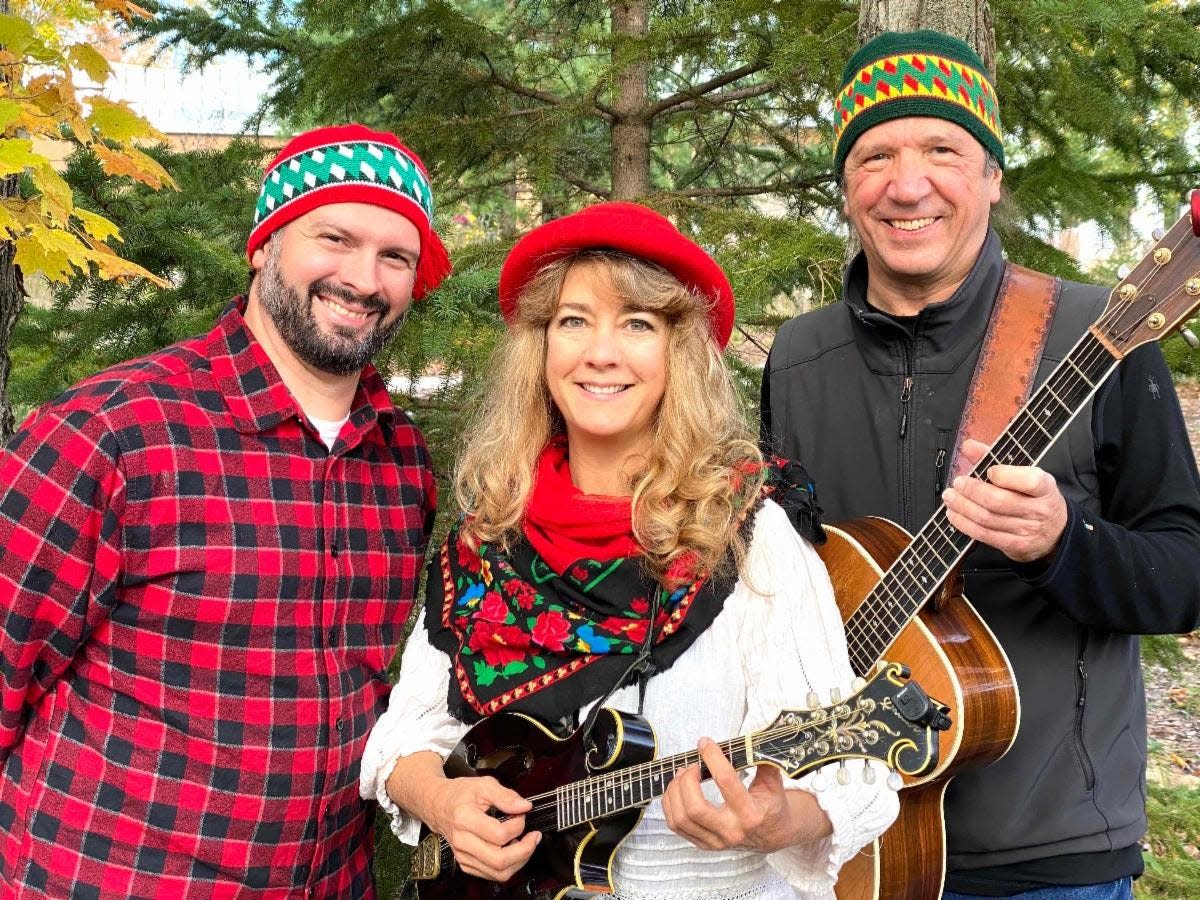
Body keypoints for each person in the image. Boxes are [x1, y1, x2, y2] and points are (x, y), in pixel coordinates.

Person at [761, 29, 1200, 900]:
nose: (907, 182)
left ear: (993, 179)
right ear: (847, 185)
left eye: (943, 151)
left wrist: (1063, 544)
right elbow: (787, 574)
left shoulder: (1100, 335)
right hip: (845, 837)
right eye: (875, 153)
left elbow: (1185, 575)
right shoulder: (798, 356)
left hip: (1049, 852)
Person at [360, 201, 900, 898]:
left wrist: (774, 820)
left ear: (678, 353)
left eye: (637, 324)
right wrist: (442, 803)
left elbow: (845, 776)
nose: (601, 352)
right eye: (574, 321)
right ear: (542, 347)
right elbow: (410, 733)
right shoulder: (486, 540)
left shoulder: (746, 537)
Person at [0, 123, 449, 896]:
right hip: (109, 877)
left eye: (394, 257)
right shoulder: (113, 432)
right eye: (334, 238)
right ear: (265, 244)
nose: (364, 278)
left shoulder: (402, 462)